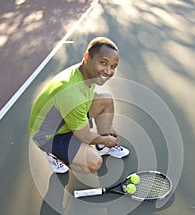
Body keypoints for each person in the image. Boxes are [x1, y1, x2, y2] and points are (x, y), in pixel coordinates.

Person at [29, 37, 129, 174]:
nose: (108, 71)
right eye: (103, 63)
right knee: (93, 163)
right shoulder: (71, 93)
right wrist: (106, 139)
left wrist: (107, 131)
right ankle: (53, 154)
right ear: (87, 57)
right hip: (49, 135)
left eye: (113, 67)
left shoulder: (85, 73)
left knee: (106, 100)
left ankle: (102, 147)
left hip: (65, 117)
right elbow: (84, 136)